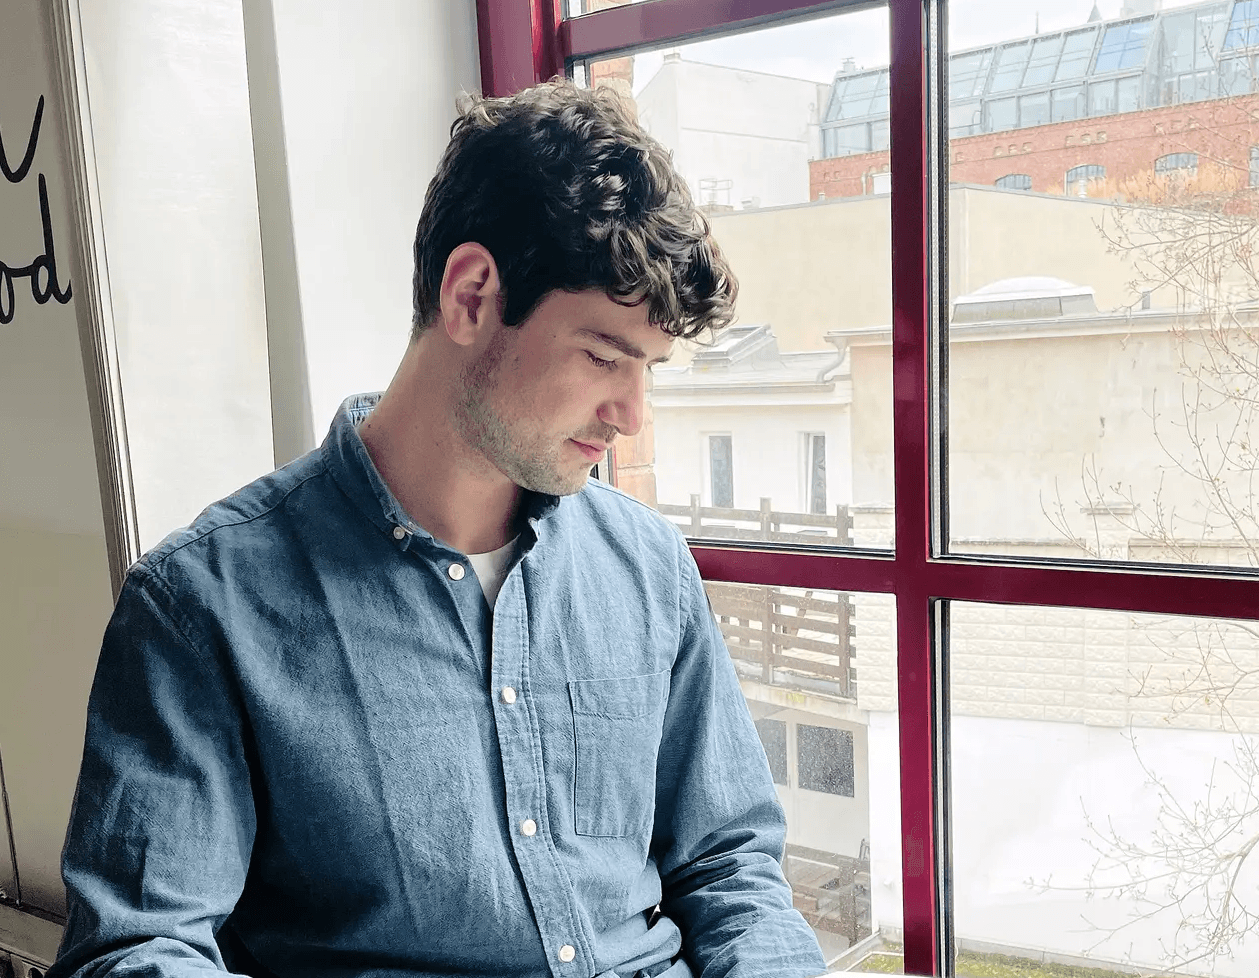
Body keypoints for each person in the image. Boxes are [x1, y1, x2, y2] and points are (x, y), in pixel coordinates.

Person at [50, 79, 828, 978]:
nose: (630, 415)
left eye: (648, 369)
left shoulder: (646, 565)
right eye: (602, 356)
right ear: (470, 294)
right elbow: (136, 949)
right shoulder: (202, 605)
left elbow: (729, 867)